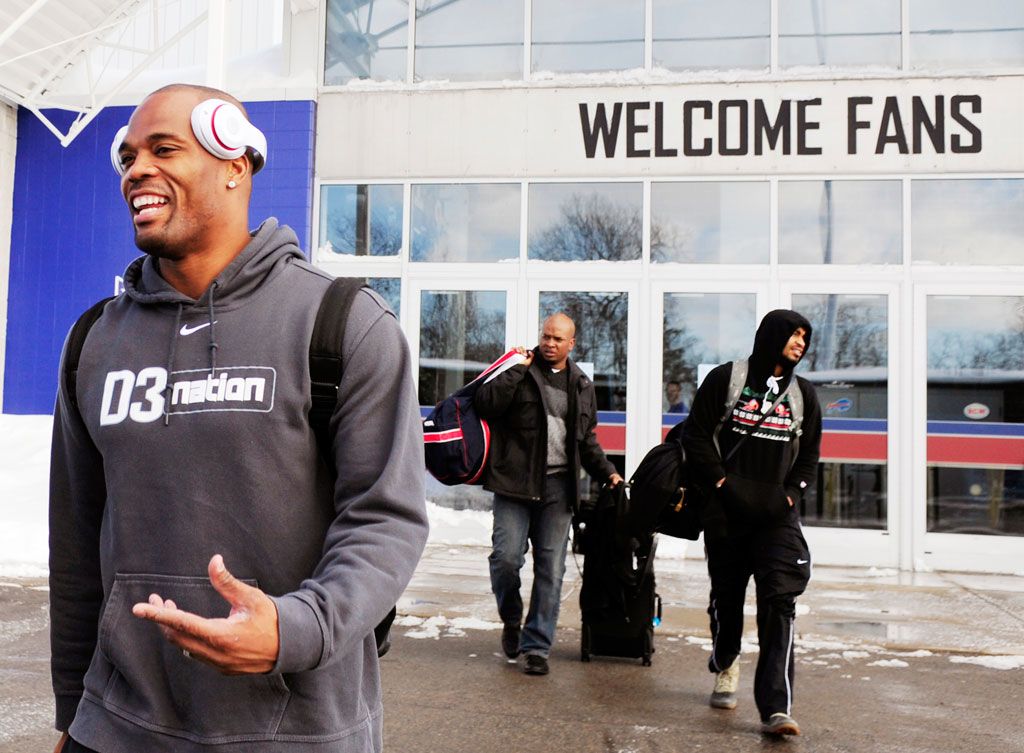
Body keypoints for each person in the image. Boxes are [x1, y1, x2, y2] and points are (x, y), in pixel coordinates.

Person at [48, 84, 429, 753]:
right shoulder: (95, 341)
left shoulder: (342, 324)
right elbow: (77, 544)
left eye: (164, 149)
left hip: (295, 732)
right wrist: (73, 710)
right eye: (130, 157)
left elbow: (384, 520)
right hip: (116, 730)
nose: (137, 170)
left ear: (236, 164)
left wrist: (292, 628)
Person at [681, 309, 822, 737]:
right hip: (726, 512)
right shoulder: (727, 379)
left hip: (776, 517)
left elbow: (810, 456)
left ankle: (776, 708)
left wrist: (791, 494)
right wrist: (722, 483)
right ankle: (725, 660)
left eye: (805, 337)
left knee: (780, 601)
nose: (800, 343)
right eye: (794, 334)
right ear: (772, 336)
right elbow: (696, 435)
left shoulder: (804, 396)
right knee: (728, 599)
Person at [474, 313, 623, 676]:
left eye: (558, 338)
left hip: (558, 486)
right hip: (514, 481)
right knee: (505, 559)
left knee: (551, 569)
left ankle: (537, 645)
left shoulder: (582, 385)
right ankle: (512, 619)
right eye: (546, 336)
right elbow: (486, 403)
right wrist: (514, 369)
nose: (550, 343)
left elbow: (586, 441)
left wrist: (610, 474)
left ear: (572, 344)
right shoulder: (521, 369)